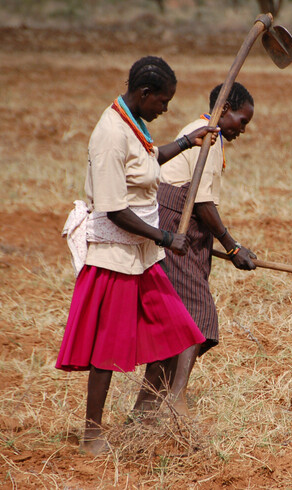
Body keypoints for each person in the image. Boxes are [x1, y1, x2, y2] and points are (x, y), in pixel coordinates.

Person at [56, 56, 219, 456]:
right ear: (144, 94)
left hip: (142, 255)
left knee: (175, 328)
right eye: (162, 102)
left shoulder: (133, 122)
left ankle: (144, 416)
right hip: (115, 256)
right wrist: (165, 236)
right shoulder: (110, 133)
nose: (165, 109)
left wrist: (186, 142)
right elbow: (114, 208)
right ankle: (92, 433)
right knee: (106, 350)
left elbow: (145, 166)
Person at [157, 82, 256, 414]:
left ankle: (147, 403)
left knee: (175, 319)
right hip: (176, 229)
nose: (243, 130)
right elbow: (202, 203)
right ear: (225, 109)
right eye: (242, 121)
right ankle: (175, 399)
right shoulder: (207, 138)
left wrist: (232, 246)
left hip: (180, 227)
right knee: (198, 316)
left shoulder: (207, 134)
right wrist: (232, 247)